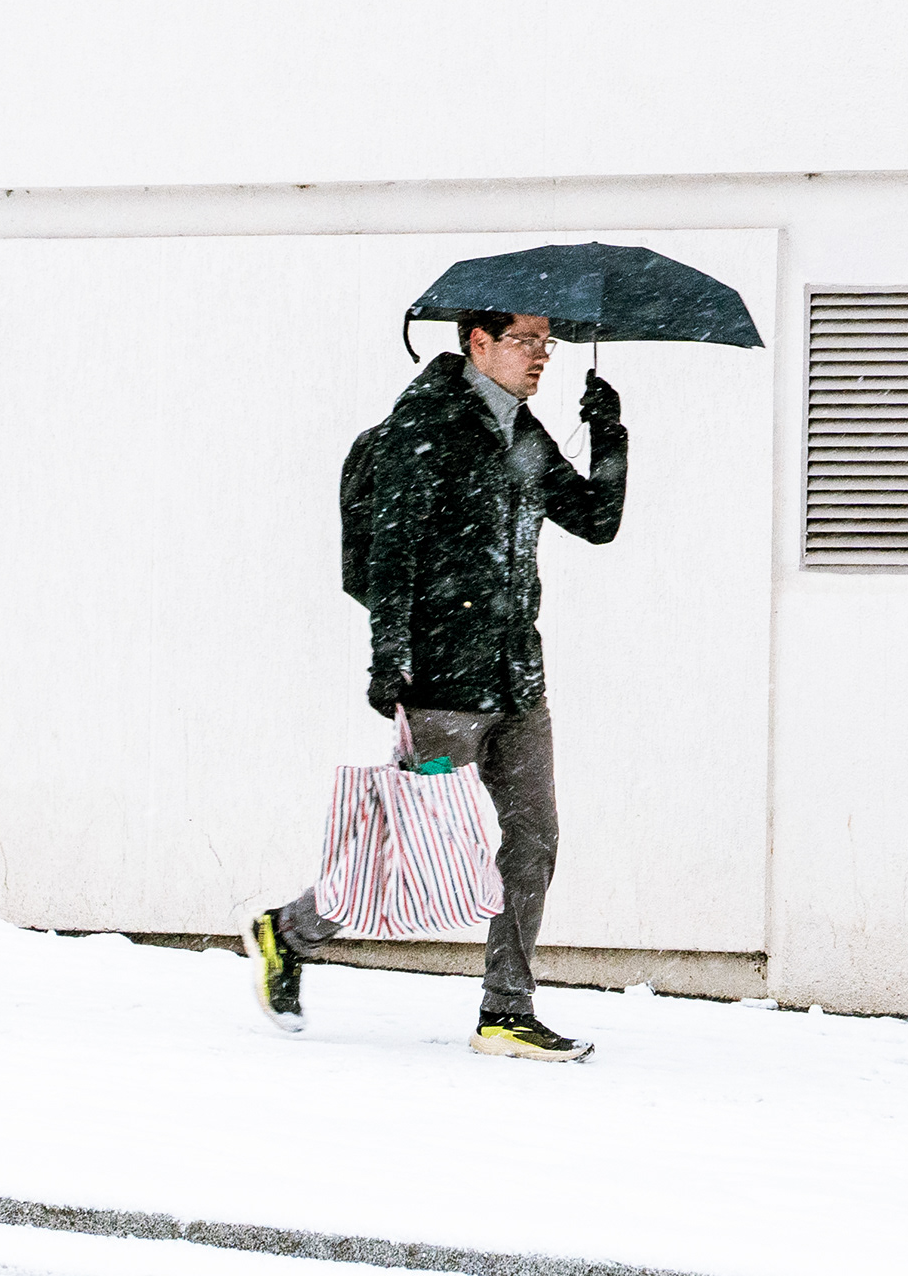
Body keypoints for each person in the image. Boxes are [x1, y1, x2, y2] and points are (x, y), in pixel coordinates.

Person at [249, 309, 627, 1060]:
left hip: (519, 677)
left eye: (546, 343)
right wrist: (387, 658)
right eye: (526, 341)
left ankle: (506, 1011)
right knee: (398, 844)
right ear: (477, 343)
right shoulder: (424, 426)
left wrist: (610, 434)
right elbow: (393, 552)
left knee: (533, 837)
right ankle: (288, 931)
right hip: (443, 680)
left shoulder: (523, 432)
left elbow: (595, 519)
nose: (541, 356)